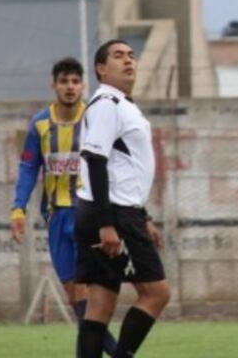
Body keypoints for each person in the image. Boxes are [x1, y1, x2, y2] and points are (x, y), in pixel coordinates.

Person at [9, 58, 117, 355]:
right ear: (53, 85)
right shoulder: (40, 124)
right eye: (64, 81)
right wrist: (18, 209)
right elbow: (28, 168)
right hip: (57, 217)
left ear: (83, 85)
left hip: (88, 216)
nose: (70, 87)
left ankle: (118, 353)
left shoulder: (94, 119)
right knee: (75, 299)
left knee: (87, 295)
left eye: (75, 81)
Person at [75, 40, 170, 358]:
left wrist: (143, 216)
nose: (128, 60)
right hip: (113, 215)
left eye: (131, 55)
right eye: (118, 56)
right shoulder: (107, 103)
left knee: (100, 305)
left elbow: (123, 170)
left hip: (116, 211)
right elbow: (96, 160)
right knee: (156, 293)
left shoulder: (121, 104)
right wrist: (107, 224)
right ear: (101, 69)